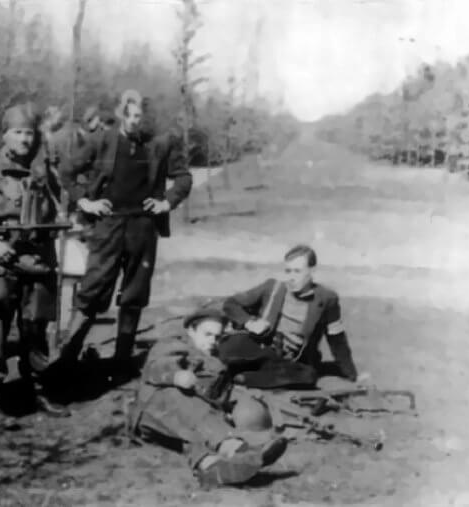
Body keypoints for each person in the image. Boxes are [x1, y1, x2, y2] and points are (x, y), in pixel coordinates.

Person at [58, 89, 192, 373]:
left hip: (143, 228)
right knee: (92, 291)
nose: (134, 122)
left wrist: (166, 202)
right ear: (121, 114)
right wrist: (85, 201)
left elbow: (183, 178)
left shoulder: (160, 144)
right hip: (109, 226)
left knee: (134, 294)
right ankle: (66, 360)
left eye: (139, 117)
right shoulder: (102, 141)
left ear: (146, 118)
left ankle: (121, 361)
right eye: (129, 116)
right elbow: (67, 171)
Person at [0, 103, 70, 429]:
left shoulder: (42, 167)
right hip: (0, 261)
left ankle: (38, 389)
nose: (24, 139)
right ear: (5, 134)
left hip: (37, 259)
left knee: (36, 328)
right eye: (18, 132)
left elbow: (58, 203)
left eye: (29, 133)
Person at [129, 307, 288, 488]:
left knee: (196, 431)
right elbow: (156, 366)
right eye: (207, 334)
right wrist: (176, 376)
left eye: (217, 337)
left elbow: (219, 393)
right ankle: (235, 447)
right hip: (154, 410)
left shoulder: (215, 360)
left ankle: (211, 468)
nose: (213, 341)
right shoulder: (175, 345)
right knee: (185, 403)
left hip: (183, 422)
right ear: (191, 330)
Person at [220, 244, 359, 387]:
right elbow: (231, 304)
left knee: (309, 375)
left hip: (291, 363)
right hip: (262, 353)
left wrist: (351, 375)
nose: (291, 277)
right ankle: (249, 375)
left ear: (312, 271)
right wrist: (250, 322)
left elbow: (337, 340)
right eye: (288, 271)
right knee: (235, 347)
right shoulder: (272, 288)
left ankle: (245, 378)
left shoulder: (327, 299)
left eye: (297, 271)